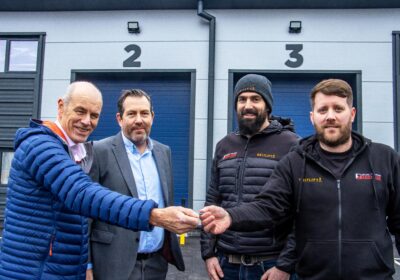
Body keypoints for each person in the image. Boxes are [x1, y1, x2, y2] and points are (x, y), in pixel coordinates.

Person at [201, 79, 400, 280]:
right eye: (323, 110)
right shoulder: (296, 161)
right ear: (313, 117)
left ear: (352, 114)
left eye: (338, 109)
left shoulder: (384, 159)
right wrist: (228, 220)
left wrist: (284, 264)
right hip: (303, 274)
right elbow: (268, 206)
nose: (330, 116)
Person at [0, 81, 199, 280]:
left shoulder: (72, 151)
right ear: (61, 106)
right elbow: (83, 194)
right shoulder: (41, 146)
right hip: (37, 270)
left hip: (57, 268)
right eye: (80, 111)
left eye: (94, 115)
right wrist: (154, 215)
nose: (86, 121)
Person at [200, 74, 299, 280]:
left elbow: (301, 210)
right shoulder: (224, 145)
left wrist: (285, 265)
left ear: (267, 105)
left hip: (270, 264)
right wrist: (208, 254)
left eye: (255, 99)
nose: (248, 105)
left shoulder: (291, 145)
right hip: (227, 264)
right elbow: (213, 200)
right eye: (242, 99)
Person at [86, 89, 186, 280]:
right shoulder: (99, 151)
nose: (139, 120)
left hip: (156, 265)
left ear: (152, 117)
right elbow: (85, 214)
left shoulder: (164, 152)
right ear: (119, 118)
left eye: (144, 113)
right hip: (112, 265)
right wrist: (87, 265)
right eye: (131, 114)